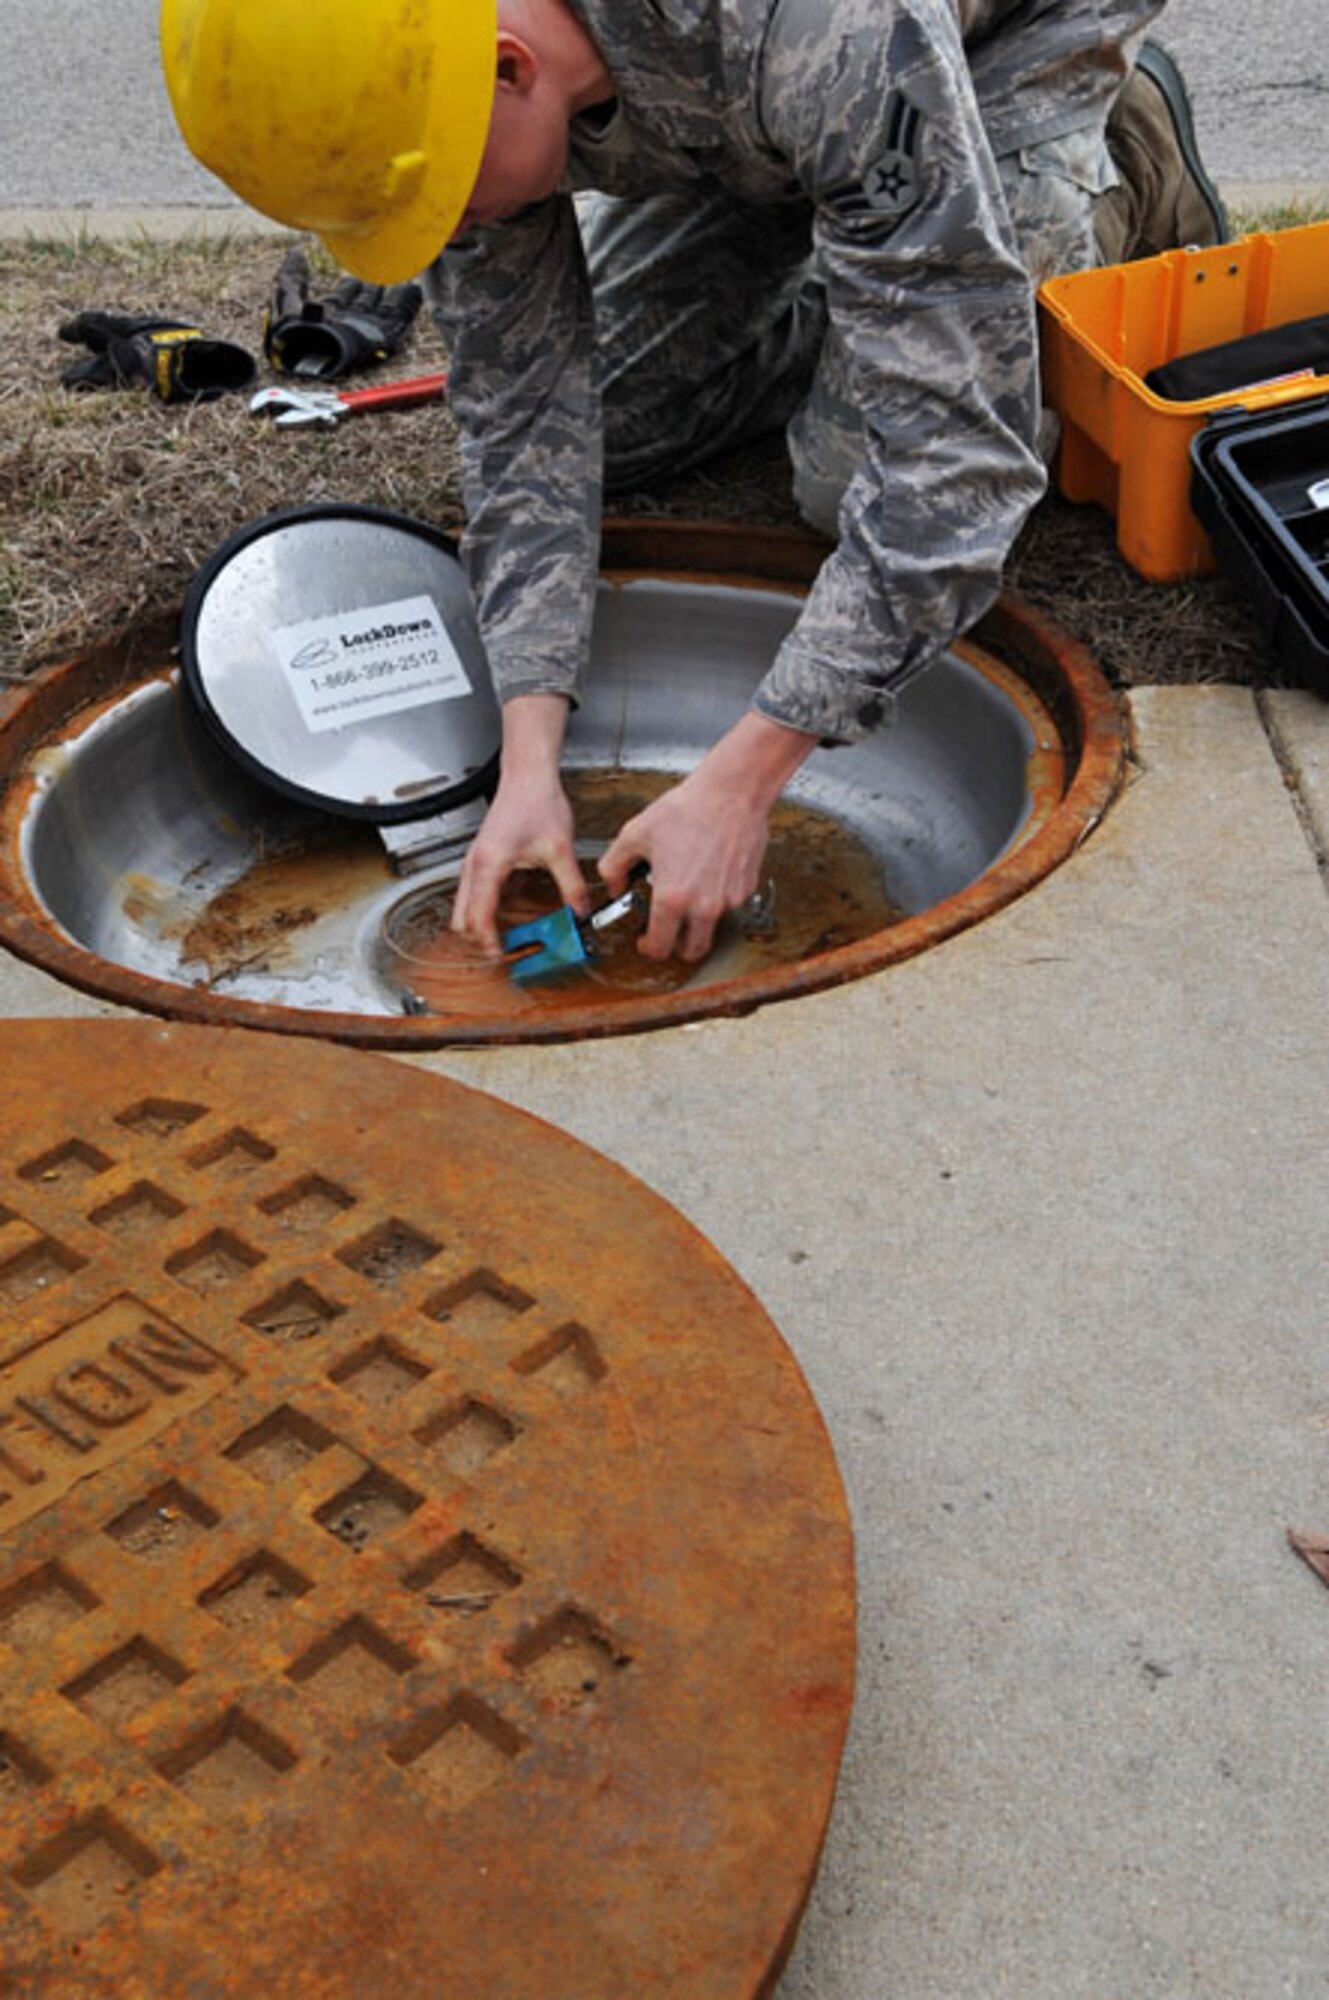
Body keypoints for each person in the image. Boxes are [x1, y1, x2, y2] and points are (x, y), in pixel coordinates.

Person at [162, 0, 1226, 962]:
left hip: (991, 43)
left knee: (851, 475)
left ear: (511, 65)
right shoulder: (435, 62)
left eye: (447, 201)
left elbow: (957, 469)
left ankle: (1108, 161)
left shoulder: (828, 30)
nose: (446, 238)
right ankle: (860, 224)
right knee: (619, 416)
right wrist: (525, 758)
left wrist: (739, 783)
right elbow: (527, 409)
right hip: (762, 90)